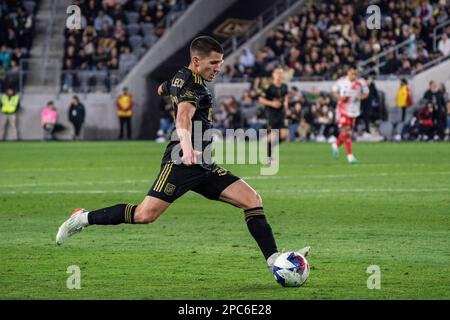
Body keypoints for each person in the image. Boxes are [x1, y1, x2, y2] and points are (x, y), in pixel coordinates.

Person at [55, 36, 310, 273]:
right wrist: (187, 148)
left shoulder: (181, 76)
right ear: (197, 61)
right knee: (144, 215)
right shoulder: (193, 87)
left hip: (204, 164)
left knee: (252, 199)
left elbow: (163, 88)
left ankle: (274, 260)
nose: (218, 68)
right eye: (214, 63)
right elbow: (183, 116)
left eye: (220, 63)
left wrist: (166, 90)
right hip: (182, 161)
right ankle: (82, 218)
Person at [331, 66, 369, 164]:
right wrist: (340, 97)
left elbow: (366, 93)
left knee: (347, 132)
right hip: (343, 109)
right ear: (348, 73)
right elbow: (334, 91)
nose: (354, 75)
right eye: (352, 73)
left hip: (354, 111)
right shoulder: (341, 81)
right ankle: (350, 156)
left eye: (355, 74)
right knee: (347, 131)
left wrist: (361, 97)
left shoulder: (361, 82)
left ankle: (336, 145)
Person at [258, 66, 289, 163]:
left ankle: (267, 145)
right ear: (273, 75)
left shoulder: (284, 86)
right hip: (271, 113)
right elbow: (260, 99)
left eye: (281, 73)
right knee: (274, 134)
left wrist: (286, 106)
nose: (279, 75)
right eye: (277, 73)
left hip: (281, 113)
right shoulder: (268, 86)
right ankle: (269, 157)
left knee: (284, 135)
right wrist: (272, 103)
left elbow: (286, 97)